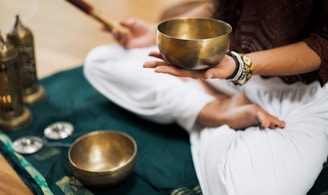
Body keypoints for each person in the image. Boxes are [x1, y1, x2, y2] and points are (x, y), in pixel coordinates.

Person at [83, 0, 328, 194]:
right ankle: (216, 111)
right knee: (101, 62)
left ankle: (202, 111)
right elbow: (223, 4)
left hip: (300, 93)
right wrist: (162, 37)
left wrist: (239, 65)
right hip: (226, 66)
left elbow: (324, 44)